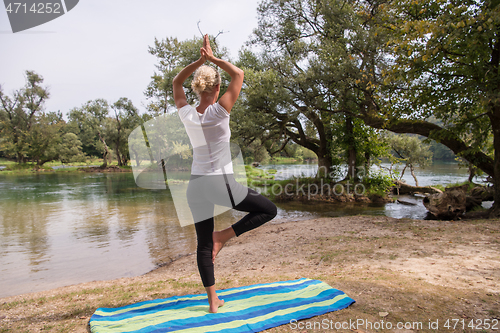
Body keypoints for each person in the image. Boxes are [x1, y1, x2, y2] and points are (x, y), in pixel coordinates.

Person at [172, 35, 277, 313]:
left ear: (197, 89)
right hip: (221, 185)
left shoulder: (187, 114)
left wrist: (198, 61)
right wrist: (213, 59)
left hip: (195, 186)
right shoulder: (220, 111)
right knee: (268, 210)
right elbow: (239, 74)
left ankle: (212, 301)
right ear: (218, 87)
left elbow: (176, 83)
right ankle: (225, 236)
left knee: (202, 243)